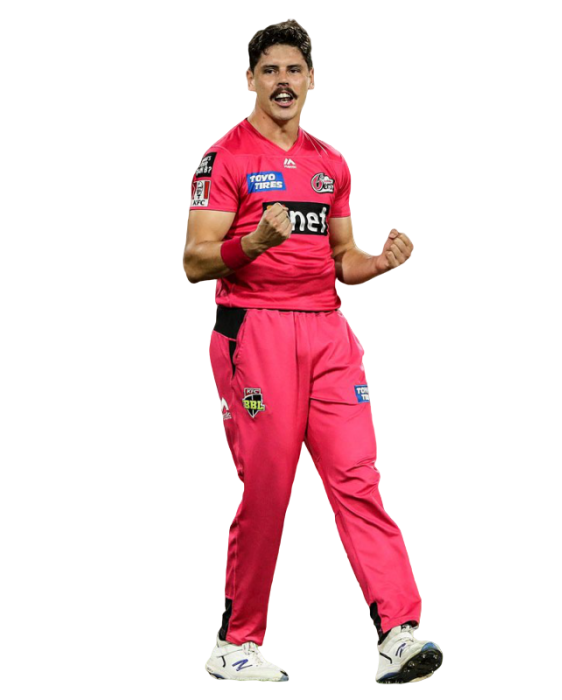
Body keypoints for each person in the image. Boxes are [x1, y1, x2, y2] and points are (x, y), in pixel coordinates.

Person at [185, 18, 443, 685]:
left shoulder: (331, 163)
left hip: (329, 332)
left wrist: (378, 264)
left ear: (312, 81)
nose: (283, 81)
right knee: (270, 486)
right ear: (249, 80)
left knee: (359, 478)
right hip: (255, 332)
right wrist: (253, 243)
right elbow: (194, 261)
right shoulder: (224, 157)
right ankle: (235, 643)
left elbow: (342, 259)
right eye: (269, 70)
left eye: (293, 70)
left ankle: (398, 635)